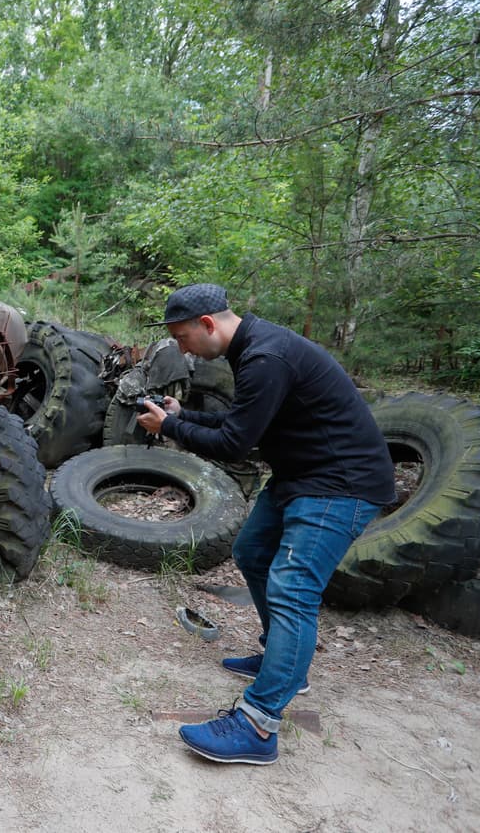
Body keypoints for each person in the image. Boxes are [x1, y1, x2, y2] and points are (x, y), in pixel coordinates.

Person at [136, 283, 394, 764]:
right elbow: (248, 420)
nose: (181, 348)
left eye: (183, 337)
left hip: (340, 484)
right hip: (303, 474)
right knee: (253, 552)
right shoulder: (253, 348)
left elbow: (234, 444)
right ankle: (284, 660)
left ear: (208, 324)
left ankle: (257, 727)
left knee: (293, 588)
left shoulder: (265, 357)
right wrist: (182, 414)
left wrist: (170, 429)